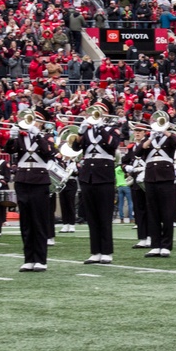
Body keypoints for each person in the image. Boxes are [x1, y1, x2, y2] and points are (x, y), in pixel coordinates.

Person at [69, 102, 121, 264]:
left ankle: (106, 251)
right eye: (94, 111)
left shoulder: (112, 129)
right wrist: (80, 132)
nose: (95, 114)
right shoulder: (87, 130)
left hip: (104, 175)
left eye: (100, 111)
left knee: (104, 215)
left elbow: (113, 144)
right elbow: (76, 148)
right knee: (91, 215)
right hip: (88, 176)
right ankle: (95, 251)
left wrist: (101, 129)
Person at [5, 110, 54, 272]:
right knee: (25, 222)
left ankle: (40, 259)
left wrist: (38, 135)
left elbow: (48, 152)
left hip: (39, 181)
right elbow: (10, 150)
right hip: (22, 180)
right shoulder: (21, 137)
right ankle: (28, 258)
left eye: (37, 121)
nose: (33, 123)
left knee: (39, 221)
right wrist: (11, 137)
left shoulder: (46, 138)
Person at [137, 110, 176, 257]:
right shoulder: (148, 139)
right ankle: (155, 244)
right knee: (153, 213)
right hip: (151, 178)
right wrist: (151, 137)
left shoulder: (169, 139)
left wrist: (165, 131)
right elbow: (137, 152)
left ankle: (166, 245)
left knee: (167, 213)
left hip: (166, 178)